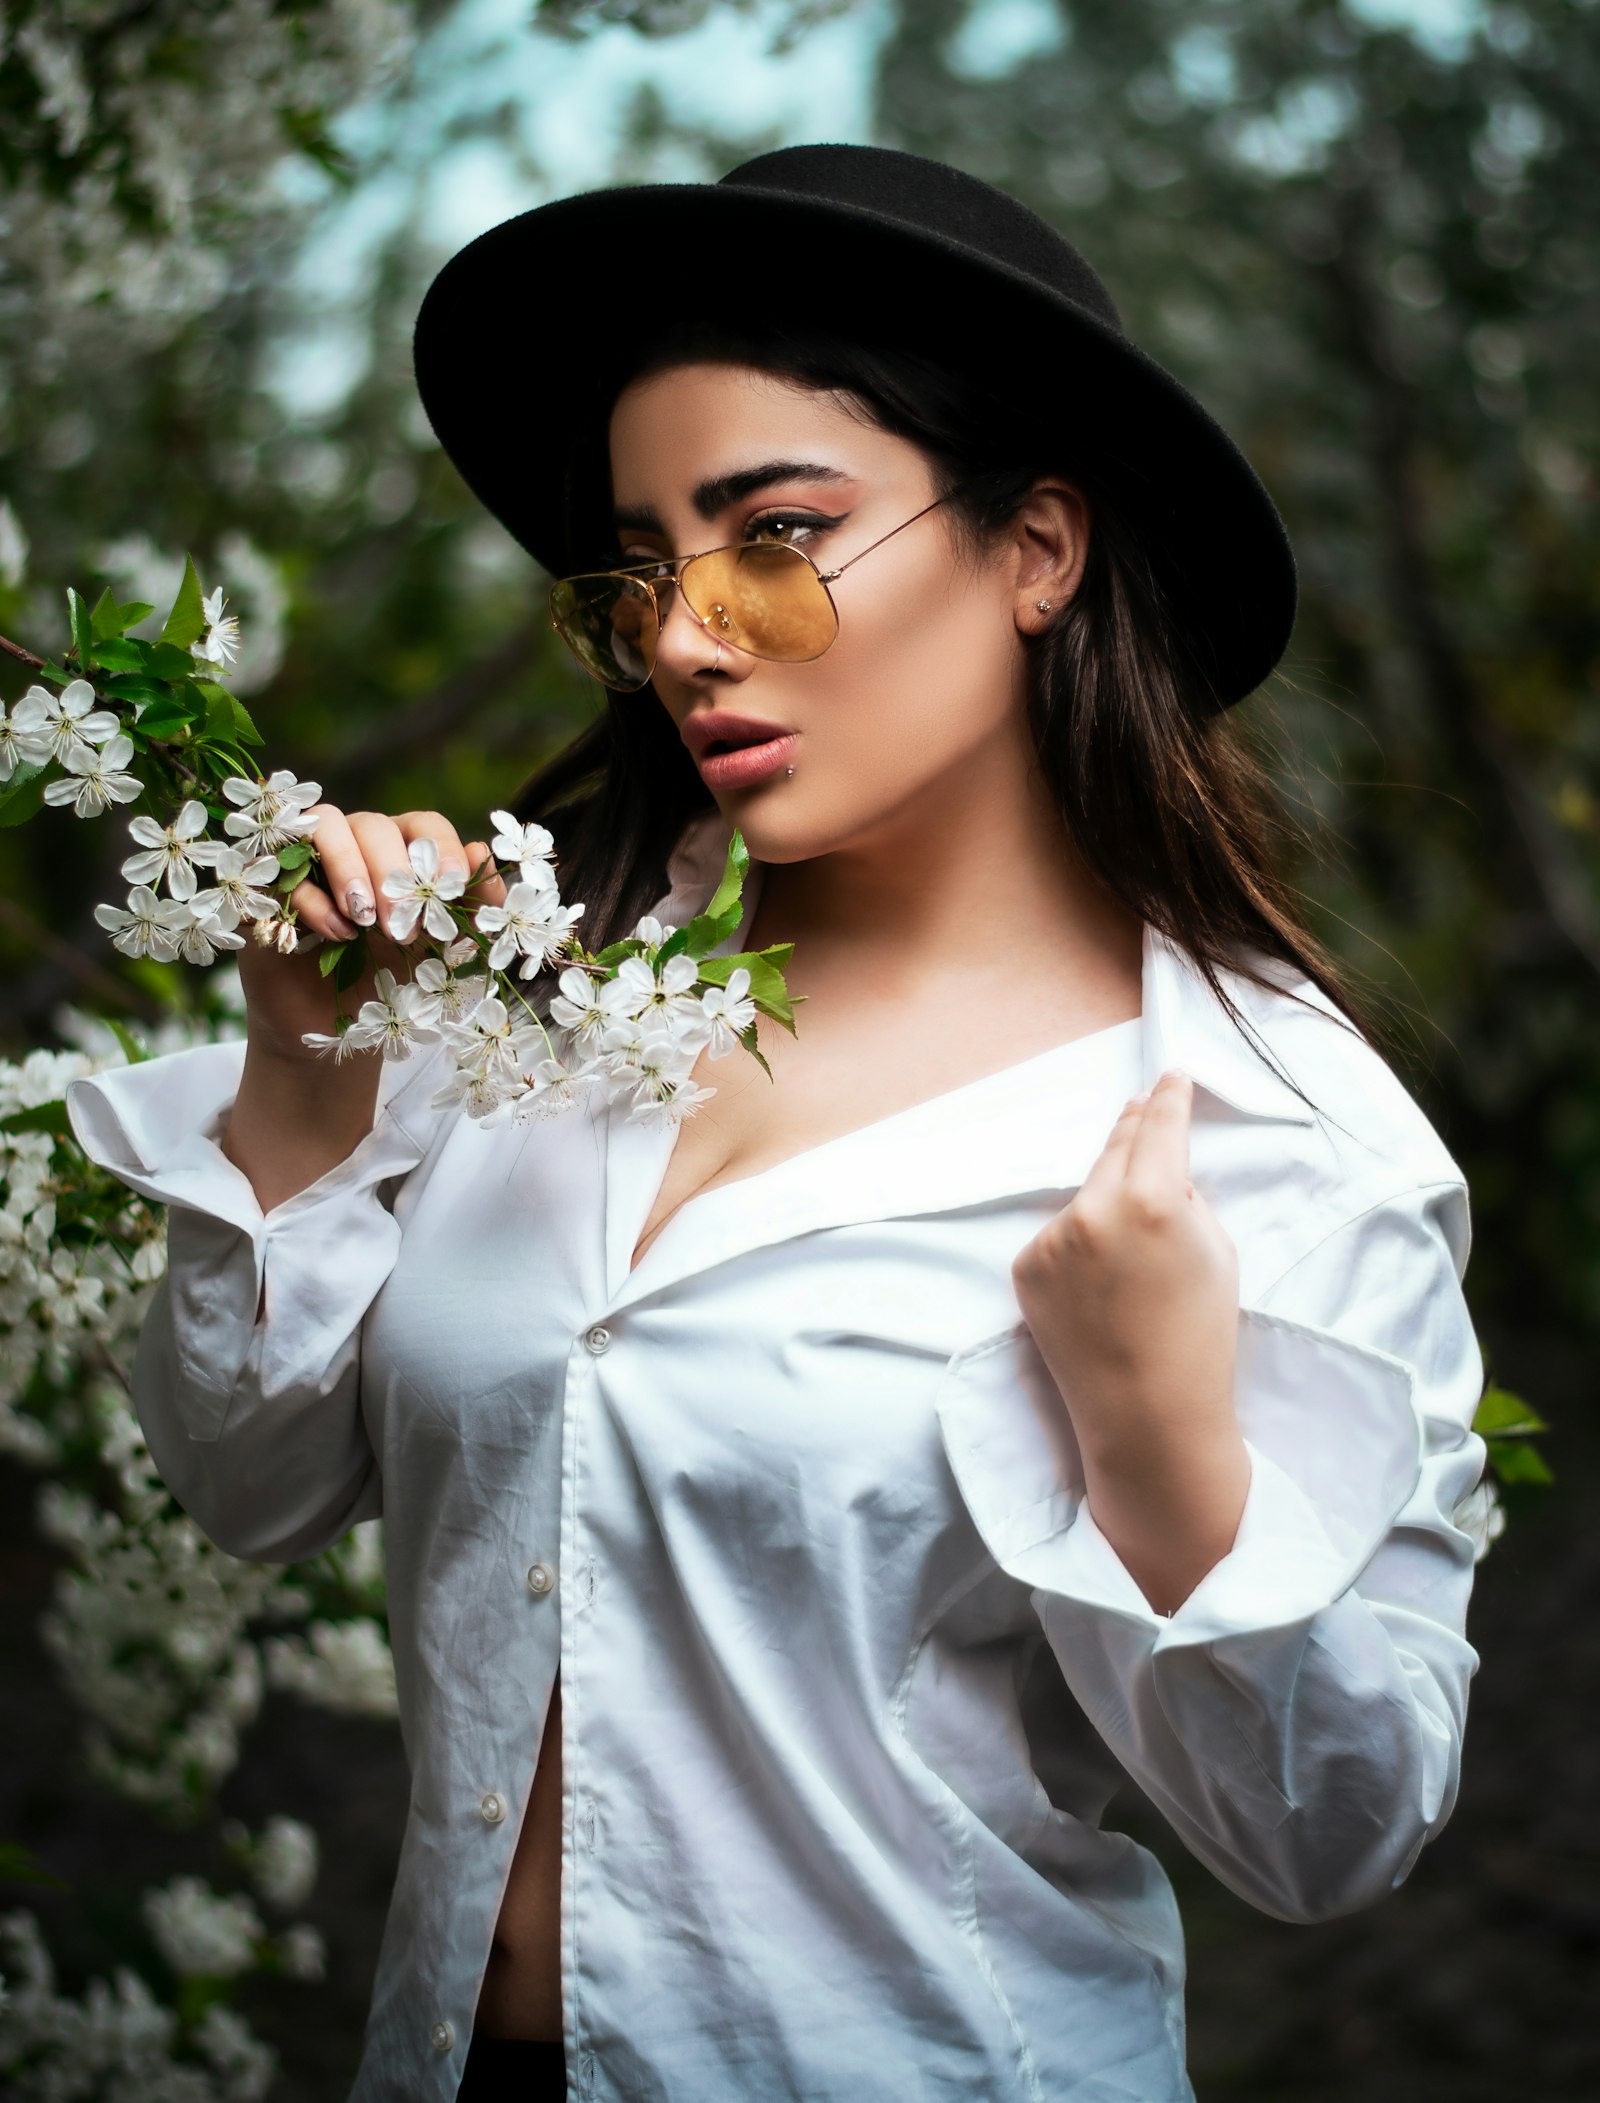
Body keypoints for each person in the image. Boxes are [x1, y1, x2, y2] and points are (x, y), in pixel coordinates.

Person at [65, 145, 1489, 2103]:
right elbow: (249, 1484)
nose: (681, 636)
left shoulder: (1241, 1120)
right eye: (638, 571)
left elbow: (1331, 1830)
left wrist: (1162, 1454)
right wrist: (299, 1072)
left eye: (776, 536)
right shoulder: (542, 1016)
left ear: (1035, 549)